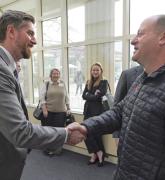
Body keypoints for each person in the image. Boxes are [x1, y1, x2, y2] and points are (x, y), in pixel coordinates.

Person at [68, 14, 165, 180]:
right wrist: (86, 127)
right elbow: (119, 112)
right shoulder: (144, 78)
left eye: (140, 34)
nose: (133, 40)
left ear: (163, 37)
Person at [0, 10, 83, 180]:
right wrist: (66, 134)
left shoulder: (9, 67)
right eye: (30, 33)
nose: (35, 40)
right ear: (11, 31)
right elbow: (20, 132)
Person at [82, 62, 109, 167]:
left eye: (97, 70)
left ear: (101, 71)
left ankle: (98, 156)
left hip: (98, 112)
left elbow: (99, 95)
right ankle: (96, 153)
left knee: (96, 134)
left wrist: (90, 95)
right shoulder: (88, 82)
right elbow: (83, 95)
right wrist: (92, 95)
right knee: (86, 133)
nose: (95, 72)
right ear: (91, 71)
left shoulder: (104, 82)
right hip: (88, 111)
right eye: (93, 70)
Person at [40, 68, 71, 156]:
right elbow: (42, 97)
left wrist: (68, 108)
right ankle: (48, 148)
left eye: (57, 73)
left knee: (59, 132)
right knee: (49, 132)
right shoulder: (46, 84)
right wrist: (44, 109)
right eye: (54, 73)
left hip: (61, 113)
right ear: (51, 75)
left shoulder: (63, 83)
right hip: (49, 112)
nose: (56, 75)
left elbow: (67, 97)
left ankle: (57, 149)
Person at [113, 65, 143, 146]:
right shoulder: (128, 74)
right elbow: (117, 107)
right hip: (129, 138)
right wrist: (117, 135)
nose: (134, 51)